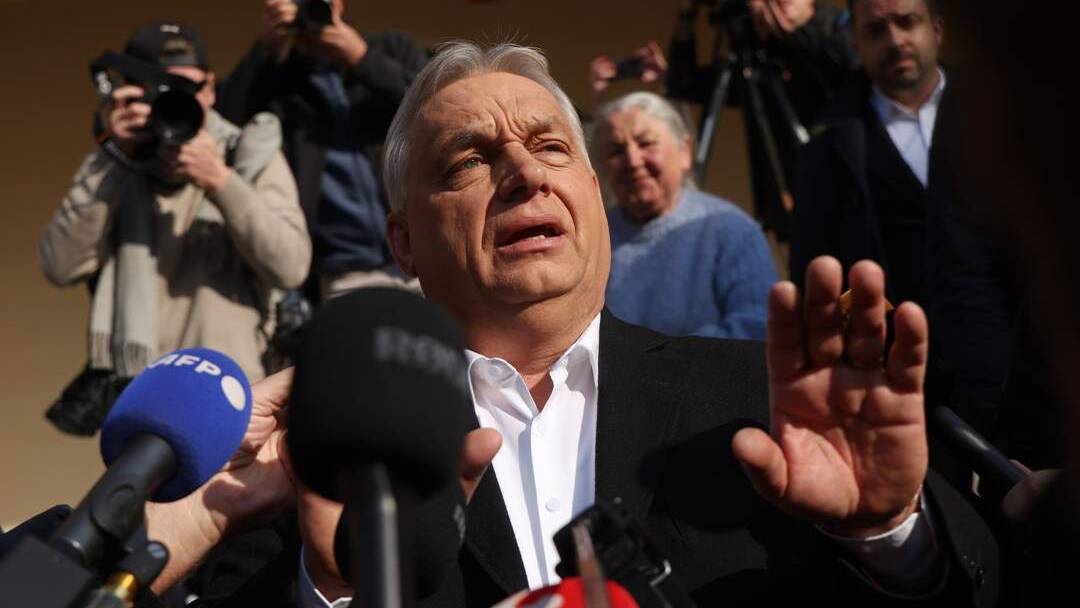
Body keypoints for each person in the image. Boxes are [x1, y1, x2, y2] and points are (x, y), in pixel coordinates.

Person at [139, 42, 999, 608]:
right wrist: (334, 589)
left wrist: (888, 534)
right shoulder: (325, 458)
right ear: (403, 242)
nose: (524, 173)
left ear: (591, 192)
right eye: (469, 161)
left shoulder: (762, 399)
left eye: (552, 147)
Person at [40, 22, 311, 384]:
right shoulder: (114, 166)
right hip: (138, 387)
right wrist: (114, 159)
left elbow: (291, 266)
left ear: (210, 89)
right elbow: (60, 266)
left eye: (186, 87)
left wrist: (221, 181)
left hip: (228, 387)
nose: (174, 101)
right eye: (160, 90)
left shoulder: (248, 153)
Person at [217, 0, 428, 301]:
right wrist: (264, 49)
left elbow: (433, 106)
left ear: (338, 4)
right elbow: (228, 121)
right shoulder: (281, 82)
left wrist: (362, 58)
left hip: (420, 248)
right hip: (343, 269)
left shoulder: (391, 49)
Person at [790, 0, 948, 312]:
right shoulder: (828, 149)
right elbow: (814, 282)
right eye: (876, 30)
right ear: (855, 42)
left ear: (937, 29)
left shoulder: (996, 113)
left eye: (907, 22)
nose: (895, 40)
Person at [589, 91, 775, 339]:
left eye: (646, 143)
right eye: (616, 151)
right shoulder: (594, 236)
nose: (632, 161)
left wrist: (665, 358)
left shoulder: (731, 229)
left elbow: (757, 328)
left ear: (685, 152)